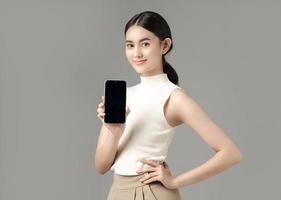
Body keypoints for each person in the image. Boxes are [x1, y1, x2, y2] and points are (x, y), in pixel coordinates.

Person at [95, 11, 243, 200]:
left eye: (145, 44)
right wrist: (113, 130)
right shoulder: (123, 97)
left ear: (164, 45)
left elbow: (231, 153)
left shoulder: (174, 97)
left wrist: (175, 182)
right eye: (130, 45)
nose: (137, 53)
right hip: (117, 192)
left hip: (150, 192)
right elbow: (101, 167)